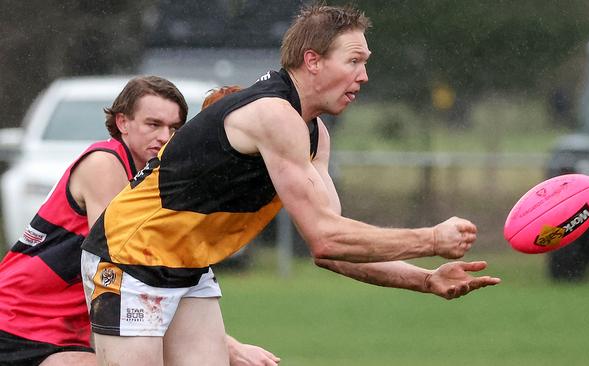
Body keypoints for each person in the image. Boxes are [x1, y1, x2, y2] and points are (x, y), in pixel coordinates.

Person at [80, 4, 501, 365]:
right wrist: (430, 239)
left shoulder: (314, 132)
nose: (365, 75)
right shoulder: (274, 115)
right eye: (353, 61)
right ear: (313, 60)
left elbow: (335, 250)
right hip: (129, 258)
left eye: (366, 62)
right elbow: (327, 240)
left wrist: (426, 280)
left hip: (187, 265)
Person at [0, 76, 279, 366]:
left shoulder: (155, 184)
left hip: (64, 331)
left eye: (174, 128)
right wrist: (228, 347)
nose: (164, 137)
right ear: (122, 122)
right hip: (17, 324)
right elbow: (126, 266)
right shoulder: (105, 164)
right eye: (153, 124)